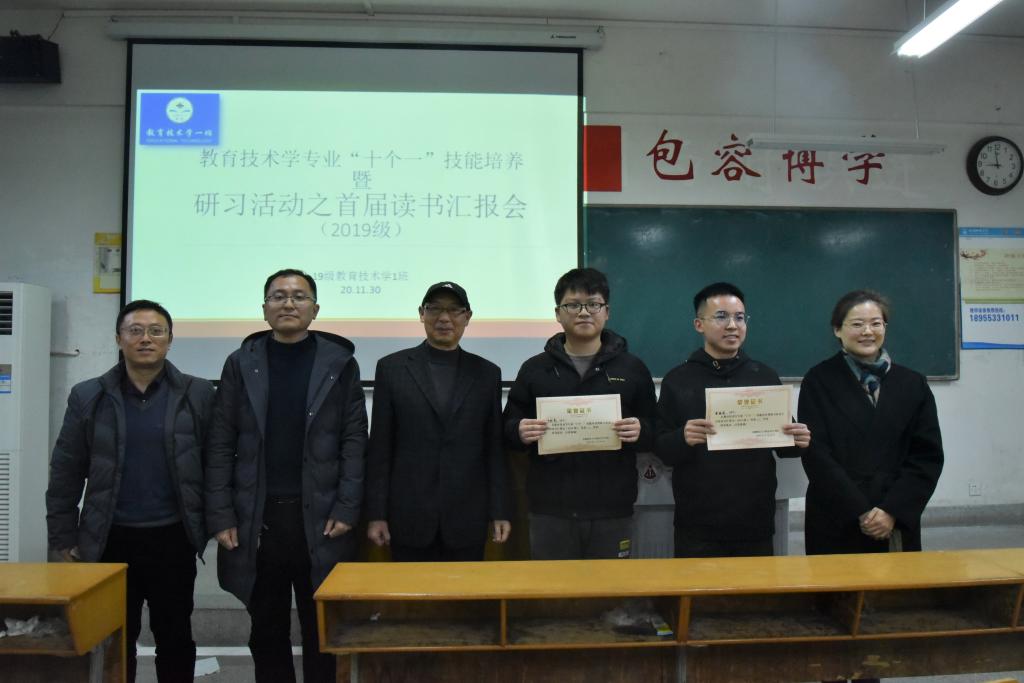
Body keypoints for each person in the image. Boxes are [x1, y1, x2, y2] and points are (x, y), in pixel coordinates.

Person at [205, 268, 368, 683]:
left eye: (299, 296)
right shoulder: (241, 363)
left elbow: (354, 440)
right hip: (258, 518)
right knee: (267, 628)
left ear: (315, 309)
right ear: (264, 309)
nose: (288, 303)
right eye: (278, 296)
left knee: (323, 625)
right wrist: (221, 513)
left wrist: (348, 507)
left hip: (323, 516)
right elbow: (221, 442)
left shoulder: (340, 364)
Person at [46, 300, 215, 683]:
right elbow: (66, 471)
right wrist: (63, 536)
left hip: (173, 537)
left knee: (175, 635)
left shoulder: (198, 394)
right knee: (114, 639)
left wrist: (213, 523)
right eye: (135, 330)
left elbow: (215, 465)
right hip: (109, 538)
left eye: (156, 331)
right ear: (118, 339)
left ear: (170, 339)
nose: (145, 339)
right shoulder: (88, 395)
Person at [798, 290, 944, 683]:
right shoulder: (819, 380)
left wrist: (891, 510)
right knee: (832, 614)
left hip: (893, 519)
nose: (867, 331)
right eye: (857, 324)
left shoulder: (913, 383)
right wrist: (861, 510)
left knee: (881, 620)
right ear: (838, 330)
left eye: (875, 323)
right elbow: (816, 453)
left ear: (885, 328)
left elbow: (926, 456)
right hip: (837, 515)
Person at [503, 267, 656, 560]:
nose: (584, 312)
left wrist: (641, 430)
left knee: (610, 585)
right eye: (573, 305)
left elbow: (656, 428)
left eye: (593, 304)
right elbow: (507, 428)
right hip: (550, 509)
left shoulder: (632, 368)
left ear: (607, 311)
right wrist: (518, 431)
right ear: (558, 314)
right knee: (553, 587)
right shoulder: (535, 369)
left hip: (613, 507)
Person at [655, 282, 811, 558]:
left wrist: (799, 439)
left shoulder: (763, 376)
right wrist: (682, 438)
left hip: (755, 520)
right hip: (697, 522)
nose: (732, 325)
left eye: (739, 317)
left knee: (754, 587)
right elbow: (661, 447)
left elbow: (785, 446)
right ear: (699, 324)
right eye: (721, 317)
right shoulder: (678, 380)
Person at [365, 281, 512, 561]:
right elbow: (381, 448)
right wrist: (376, 515)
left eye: (454, 310)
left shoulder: (487, 373)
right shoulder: (392, 368)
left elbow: (493, 450)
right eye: (435, 309)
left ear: (467, 317)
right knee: (410, 590)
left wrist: (499, 511)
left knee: (465, 589)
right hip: (408, 515)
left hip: (467, 516)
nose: (444, 318)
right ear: (421, 313)